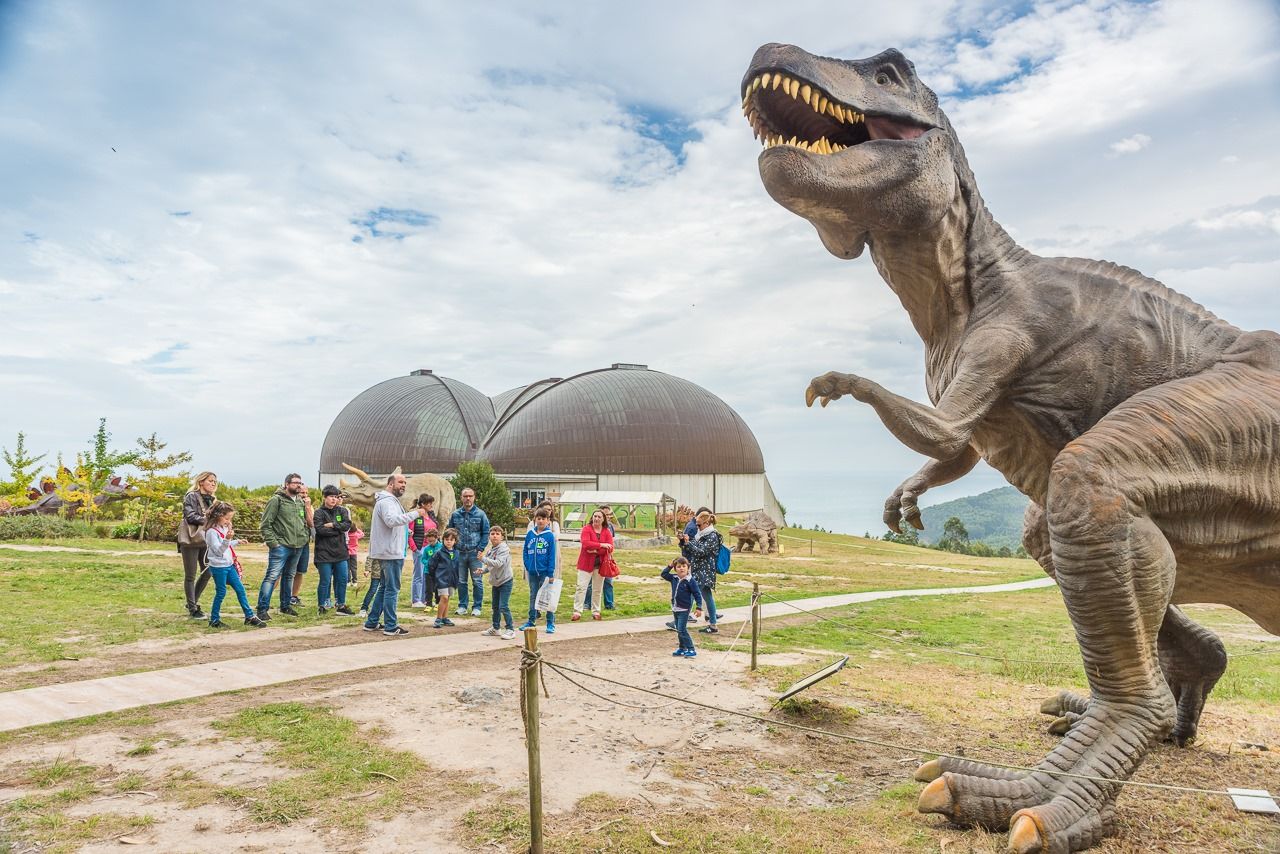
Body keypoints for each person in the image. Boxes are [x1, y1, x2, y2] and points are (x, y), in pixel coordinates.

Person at [362, 472, 422, 637]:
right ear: (390, 484)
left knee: (384, 587)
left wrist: (405, 531)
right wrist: (416, 513)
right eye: (400, 482)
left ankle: (372, 621)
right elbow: (391, 520)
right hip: (391, 553)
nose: (403, 485)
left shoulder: (388, 501)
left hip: (387, 551)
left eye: (405, 483)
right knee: (392, 589)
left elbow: (392, 523)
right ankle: (390, 625)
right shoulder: (388, 501)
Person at [202, 501, 266, 629]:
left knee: (240, 589)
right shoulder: (211, 532)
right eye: (226, 518)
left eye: (230, 519)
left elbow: (226, 546)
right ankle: (214, 619)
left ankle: (249, 616)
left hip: (229, 565)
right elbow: (218, 550)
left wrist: (236, 541)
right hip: (218, 566)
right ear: (217, 516)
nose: (228, 521)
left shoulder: (224, 528)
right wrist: (227, 539)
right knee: (221, 592)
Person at [257, 473, 310, 620]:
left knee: (289, 577)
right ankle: (262, 608)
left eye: (300, 482)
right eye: (295, 483)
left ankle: (285, 606)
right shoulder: (276, 500)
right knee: (272, 577)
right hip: (281, 546)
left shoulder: (299, 501)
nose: (298, 485)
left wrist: (304, 536)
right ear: (286, 484)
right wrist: (274, 543)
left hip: (298, 545)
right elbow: (266, 524)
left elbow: (304, 522)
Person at [177, 471, 218, 618]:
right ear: (201, 482)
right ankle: (193, 609)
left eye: (215, 481)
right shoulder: (191, 496)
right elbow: (190, 516)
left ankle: (191, 602)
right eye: (210, 481)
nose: (213, 484)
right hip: (191, 540)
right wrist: (209, 520)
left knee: (208, 570)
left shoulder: (212, 500)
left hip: (205, 539)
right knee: (190, 575)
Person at [449, 487, 491, 617]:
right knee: (461, 581)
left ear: (474, 497)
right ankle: (462, 606)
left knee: (477, 581)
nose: (468, 498)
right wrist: (452, 548)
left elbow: (485, 532)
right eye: (465, 496)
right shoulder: (455, 514)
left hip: (474, 553)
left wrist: (480, 548)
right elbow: (450, 532)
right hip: (459, 553)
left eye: (470, 496)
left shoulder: (480, 514)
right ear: (461, 498)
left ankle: (477, 607)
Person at [313, 485, 355, 615]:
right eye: (331, 496)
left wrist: (332, 525)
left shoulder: (341, 511)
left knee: (342, 579)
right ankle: (321, 605)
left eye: (336, 497)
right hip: (324, 553)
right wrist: (338, 530)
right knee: (325, 580)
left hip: (341, 552)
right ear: (325, 497)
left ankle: (341, 605)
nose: (334, 499)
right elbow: (320, 530)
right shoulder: (319, 512)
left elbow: (347, 525)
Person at [680, 510, 723, 634]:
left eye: (698, 525)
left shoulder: (712, 535)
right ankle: (713, 625)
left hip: (705, 572)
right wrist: (684, 541)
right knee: (707, 598)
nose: (696, 527)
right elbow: (694, 548)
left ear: (706, 523)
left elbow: (701, 551)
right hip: (699, 570)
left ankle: (679, 623)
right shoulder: (702, 534)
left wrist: (689, 543)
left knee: (691, 594)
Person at [519, 508, 558, 633]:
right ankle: (531, 620)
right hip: (532, 572)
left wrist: (550, 573)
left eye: (543, 519)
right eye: (538, 518)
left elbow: (552, 555)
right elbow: (525, 550)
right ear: (535, 519)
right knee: (533, 596)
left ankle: (550, 623)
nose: (540, 521)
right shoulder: (530, 534)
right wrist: (527, 565)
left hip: (545, 572)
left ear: (548, 521)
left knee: (547, 597)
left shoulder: (549, 536)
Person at [572, 509, 614, 621]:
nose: (596, 518)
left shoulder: (606, 531)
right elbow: (585, 544)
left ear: (603, 519)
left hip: (600, 564)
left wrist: (596, 550)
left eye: (599, 517)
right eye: (595, 516)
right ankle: (577, 611)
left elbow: (610, 547)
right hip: (585, 564)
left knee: (597, 589)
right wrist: (602, 545)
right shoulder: (586, 529)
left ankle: (596, 611)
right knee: (581, 587)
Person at [661, 556, 703, 657]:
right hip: (675, 608)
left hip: (684, 609)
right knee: (678, 629)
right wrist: (670, 565)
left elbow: (697, 594)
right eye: (679, 566)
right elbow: (664, 574)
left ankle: (691, 649)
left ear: (688, 568)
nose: (681, 568)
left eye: (684, 566)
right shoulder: (674, 578)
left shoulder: (690, 580)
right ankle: (682, 648)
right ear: (675, 569)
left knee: (682, 630)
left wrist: (699, 607)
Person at [478, 526, 514, 639]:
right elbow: (490, 565)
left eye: (498, 534)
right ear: (489, 536)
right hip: (496, 582)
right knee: (495, 607)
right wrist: (483, 570)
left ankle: (510, 629)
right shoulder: (491, 550)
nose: (495, 535)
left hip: (505, 581)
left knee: (503, 606)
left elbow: (498, 563)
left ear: (502, 537)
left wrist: (482, 559)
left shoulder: (504, 549)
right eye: (492, 533)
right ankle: (496, 628)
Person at [583, 504, 618, 612]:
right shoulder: (590, 527)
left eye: (608, 515)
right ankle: (587, 604)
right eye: (605, 515)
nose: (607, 517)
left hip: (606, 558)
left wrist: (603, 550)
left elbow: (611, 544)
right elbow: (588, 543)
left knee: (608, 581)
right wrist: (598, 548)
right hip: (592, 559)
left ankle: (609, 604)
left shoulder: (610, 527)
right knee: (590, 583)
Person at [408, 494, 439, 607]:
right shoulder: (415, 516)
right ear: (422, 504)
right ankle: (416, 600)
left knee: (428, 575)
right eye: (428, 503)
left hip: (432, 549)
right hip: (420, 549)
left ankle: (426, 599)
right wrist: (415, 548)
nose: (431, 505)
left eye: (431, 503)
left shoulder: (431, 515)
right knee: (418, 575)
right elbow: (409, 533)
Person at [430, 528, 462, 629]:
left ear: (455, 541)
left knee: (447, 599)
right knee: (443, 597)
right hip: (441, 580)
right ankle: (438, 619)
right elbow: (431, 566)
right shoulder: (439, 553)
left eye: (451, 540)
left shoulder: (457, 553)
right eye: (447, 539)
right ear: (443, 540)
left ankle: (445, 618)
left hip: (452, 580)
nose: (449, 541)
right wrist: (436, 577)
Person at [289, 484, 316, 606]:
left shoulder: (309, 506)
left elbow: (311, 524)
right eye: (302, 493)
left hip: (304, 542)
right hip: (290, 543)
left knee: (300, 571)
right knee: (282, 572)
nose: (304, 496)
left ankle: (294, 596)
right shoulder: (290, 505)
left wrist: (308, 508)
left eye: (306, 493)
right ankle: (270, 597)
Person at [420, 527, 442, 608]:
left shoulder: (442, 547)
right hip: (428, 572)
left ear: (437, 538)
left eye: (433, 541)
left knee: (438, 588)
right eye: (429, 541)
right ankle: (428, 604)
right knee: (428, 589)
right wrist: (428, 563)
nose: (431, 543)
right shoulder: (426, 548)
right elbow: (423, 559)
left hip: (439, 572)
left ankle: (437, 603)